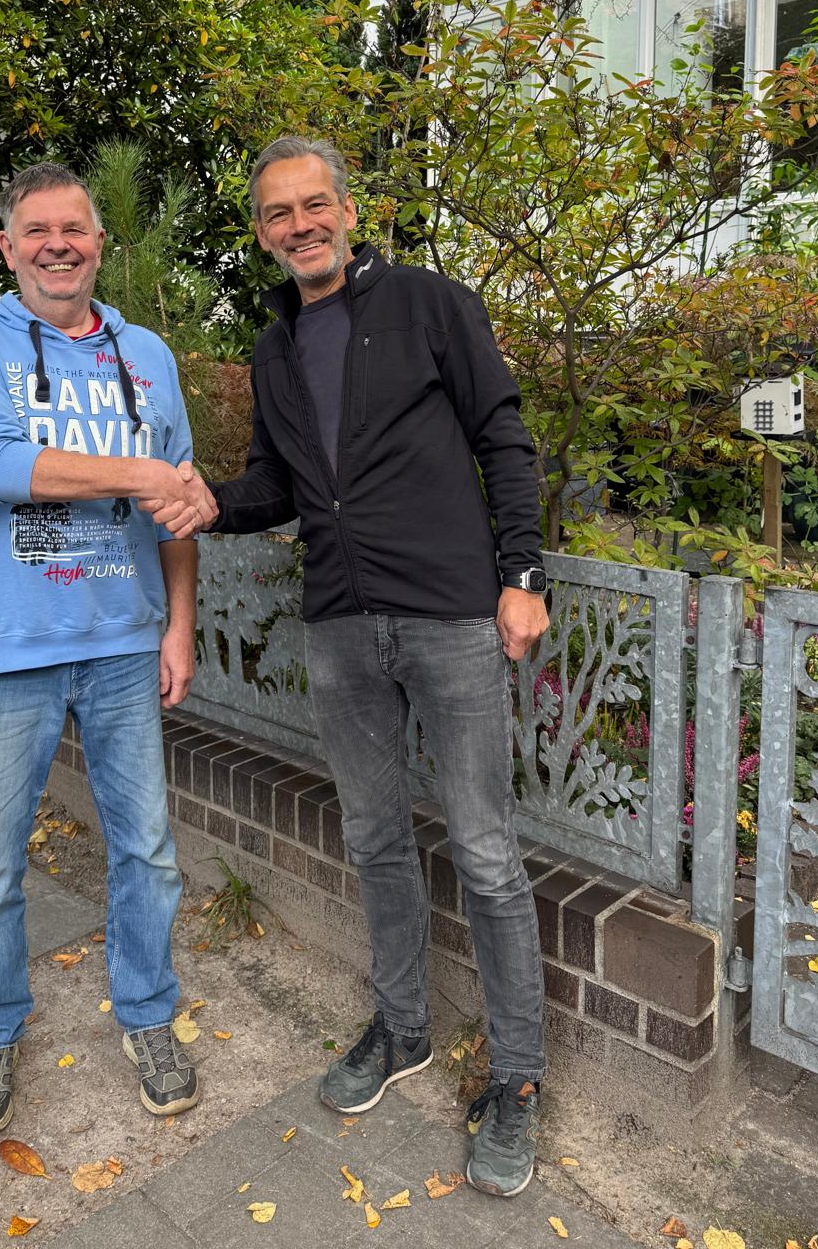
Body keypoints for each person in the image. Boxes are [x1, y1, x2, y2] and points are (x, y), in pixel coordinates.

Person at [186, 135, 550, 1196]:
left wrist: (521, 571)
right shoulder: (274, 348)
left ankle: (518, 1080)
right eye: (277, 214)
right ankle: (402, 1029)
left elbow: (502, 435)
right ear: (262, 233)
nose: (299, 225)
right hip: (341, 622)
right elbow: (277, 484)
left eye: (314, 205)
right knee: (376, 836)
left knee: (484, 849)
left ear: (350, 209)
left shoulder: (435, 305)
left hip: (448, 614)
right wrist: (211, 502)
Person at [0, 160, 217, 1138]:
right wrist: (134, 469)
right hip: (9, 648)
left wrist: (178, 622)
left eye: (77, 229)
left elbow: (176, 501)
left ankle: (146, 1013)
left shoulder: (148, 356)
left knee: (147, 851)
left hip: (124, 645)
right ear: (9, 245)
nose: (59, 244)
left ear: (101, 244)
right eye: (38, 230)